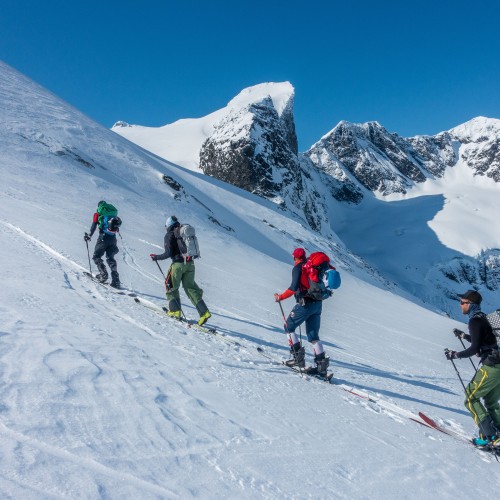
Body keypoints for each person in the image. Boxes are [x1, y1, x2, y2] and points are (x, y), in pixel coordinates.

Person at [445, 290, 500, 446]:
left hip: (491, 366)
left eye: (463, 302)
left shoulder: (474, 322)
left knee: (470, 397)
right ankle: (494, 434)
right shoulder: (483, 318)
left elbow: (474, 348)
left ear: (471, 304)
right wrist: (464, 336)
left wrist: (454, 355)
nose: (460, 305)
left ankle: (492, 436)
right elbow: (483, 341)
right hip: (499, 365)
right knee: (490, 401)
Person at [274, 248, 330, 377]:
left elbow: (293, 288)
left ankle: (297, 359)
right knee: (314, 336)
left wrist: (280, 297)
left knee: (288, 327)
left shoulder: (298, 268)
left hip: (305, 304)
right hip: (317, 304)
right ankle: (321, 368)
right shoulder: (311, 267)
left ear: (295, 257)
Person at [150, 215, 211, 326]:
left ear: (168, 225)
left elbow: (168, 253)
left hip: (178, 265)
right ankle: (204, 313)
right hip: (190, 264)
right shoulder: (183, 232)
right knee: (190, 288)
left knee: (170, 285)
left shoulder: (169, 235)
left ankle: (175, 311)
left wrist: (156, 257)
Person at [84, 200, 121, 288]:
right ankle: (116, 280)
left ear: (99, 206)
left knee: (96, 256)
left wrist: (89, 235)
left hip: (103, 238)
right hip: (113, 238)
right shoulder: (113, 213)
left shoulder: (98, 214)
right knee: (110, 258)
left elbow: (94, 226)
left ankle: (103, 274)